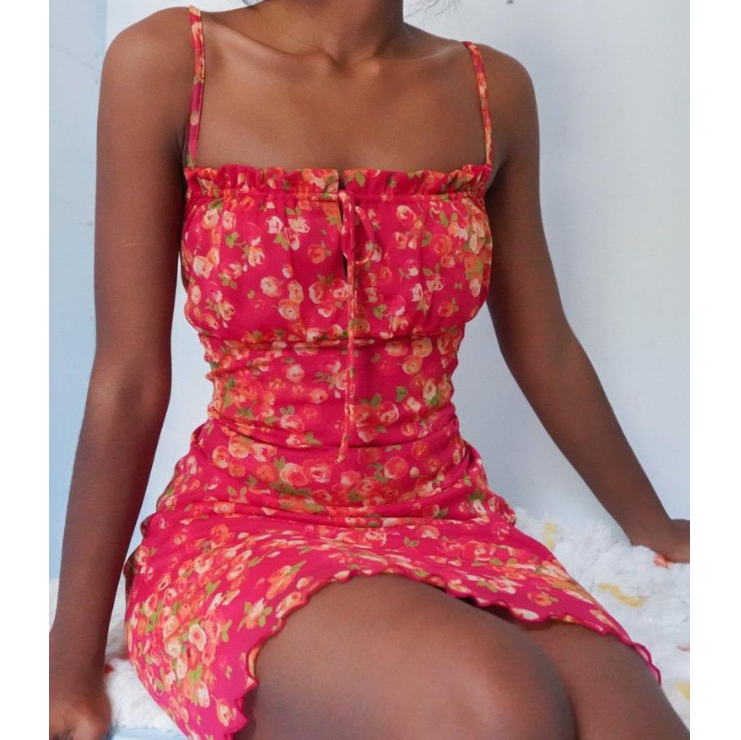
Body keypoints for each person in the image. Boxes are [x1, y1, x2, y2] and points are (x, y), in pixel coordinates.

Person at [49, 2, 690, 739]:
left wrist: (652, 526)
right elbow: (128, 377)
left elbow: (544, 347)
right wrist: (68, 662)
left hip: (446, 515)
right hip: (245, 525)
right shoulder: (172, 63)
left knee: (630, 723)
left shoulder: (491, 90)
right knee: (499, 702)